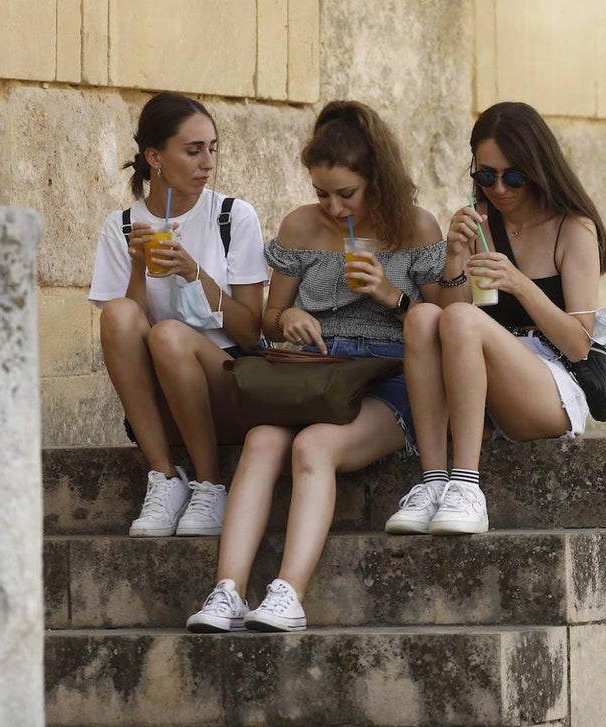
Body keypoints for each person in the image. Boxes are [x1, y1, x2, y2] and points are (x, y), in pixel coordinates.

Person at [186, 100, 452, 633]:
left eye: (345, 193)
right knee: (262, 441)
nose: (331, 207)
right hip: (313, 372)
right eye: (321, 193)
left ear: (377, 179)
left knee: (313, 448)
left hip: (388, 375)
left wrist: (389, 295)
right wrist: (291, 319)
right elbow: (269, 317)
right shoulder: (300, 227)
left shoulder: (417, 228)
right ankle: (228, 591)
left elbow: (453, 326)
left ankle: (288, 594)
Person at [384, 101, 606, 536]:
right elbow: (456, 314)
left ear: (538, 169)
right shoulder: (482, 222)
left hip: (552, 382)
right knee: (423, 319)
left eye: (513, 176)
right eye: (485, 176)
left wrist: (519, 283)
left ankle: (468, 485)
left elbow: (579, 343)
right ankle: (434, 482)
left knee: (463, 322)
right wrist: (454, 259)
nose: (499, 188)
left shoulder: (573, 228)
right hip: (486, 370)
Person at [89, 91, 269, 538]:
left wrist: (196, 273)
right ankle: (165, 477)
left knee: (170, 334)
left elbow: (251, 331)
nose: (207, 162)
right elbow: (128, 328)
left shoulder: (232, 216)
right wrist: (136, 264)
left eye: (212, 148)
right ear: (155, 157)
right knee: (117, 314)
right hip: (160, 394)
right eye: (193, 150)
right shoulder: (123, 226)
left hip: (227, 379)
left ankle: (210, 484)